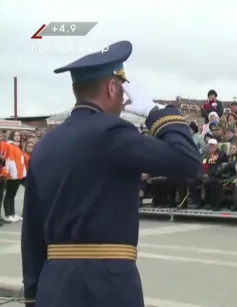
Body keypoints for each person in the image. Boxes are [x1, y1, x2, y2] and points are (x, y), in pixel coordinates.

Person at [21, 41, 201, 307]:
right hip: (107, 284)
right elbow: (186, 160)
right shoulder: (114, 133)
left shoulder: (46, 144)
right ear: (112, 87)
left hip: (54, 285)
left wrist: (33, 295)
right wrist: (156, 112)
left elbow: (32, 230)